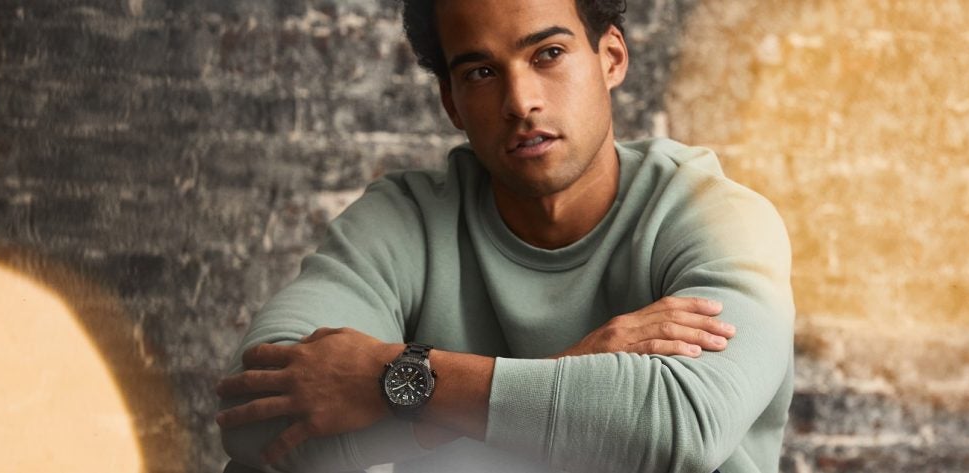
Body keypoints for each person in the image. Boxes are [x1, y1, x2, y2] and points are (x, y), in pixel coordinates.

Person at [215, 0, 794, 471]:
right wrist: (573, 367)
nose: (521, 102)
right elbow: (254, 422)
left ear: (611, 58)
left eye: (549, 54)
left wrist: (391, 379)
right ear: (452, 102)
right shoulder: (406, 220)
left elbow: (680, 429)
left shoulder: (717, 217)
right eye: (482, 73)